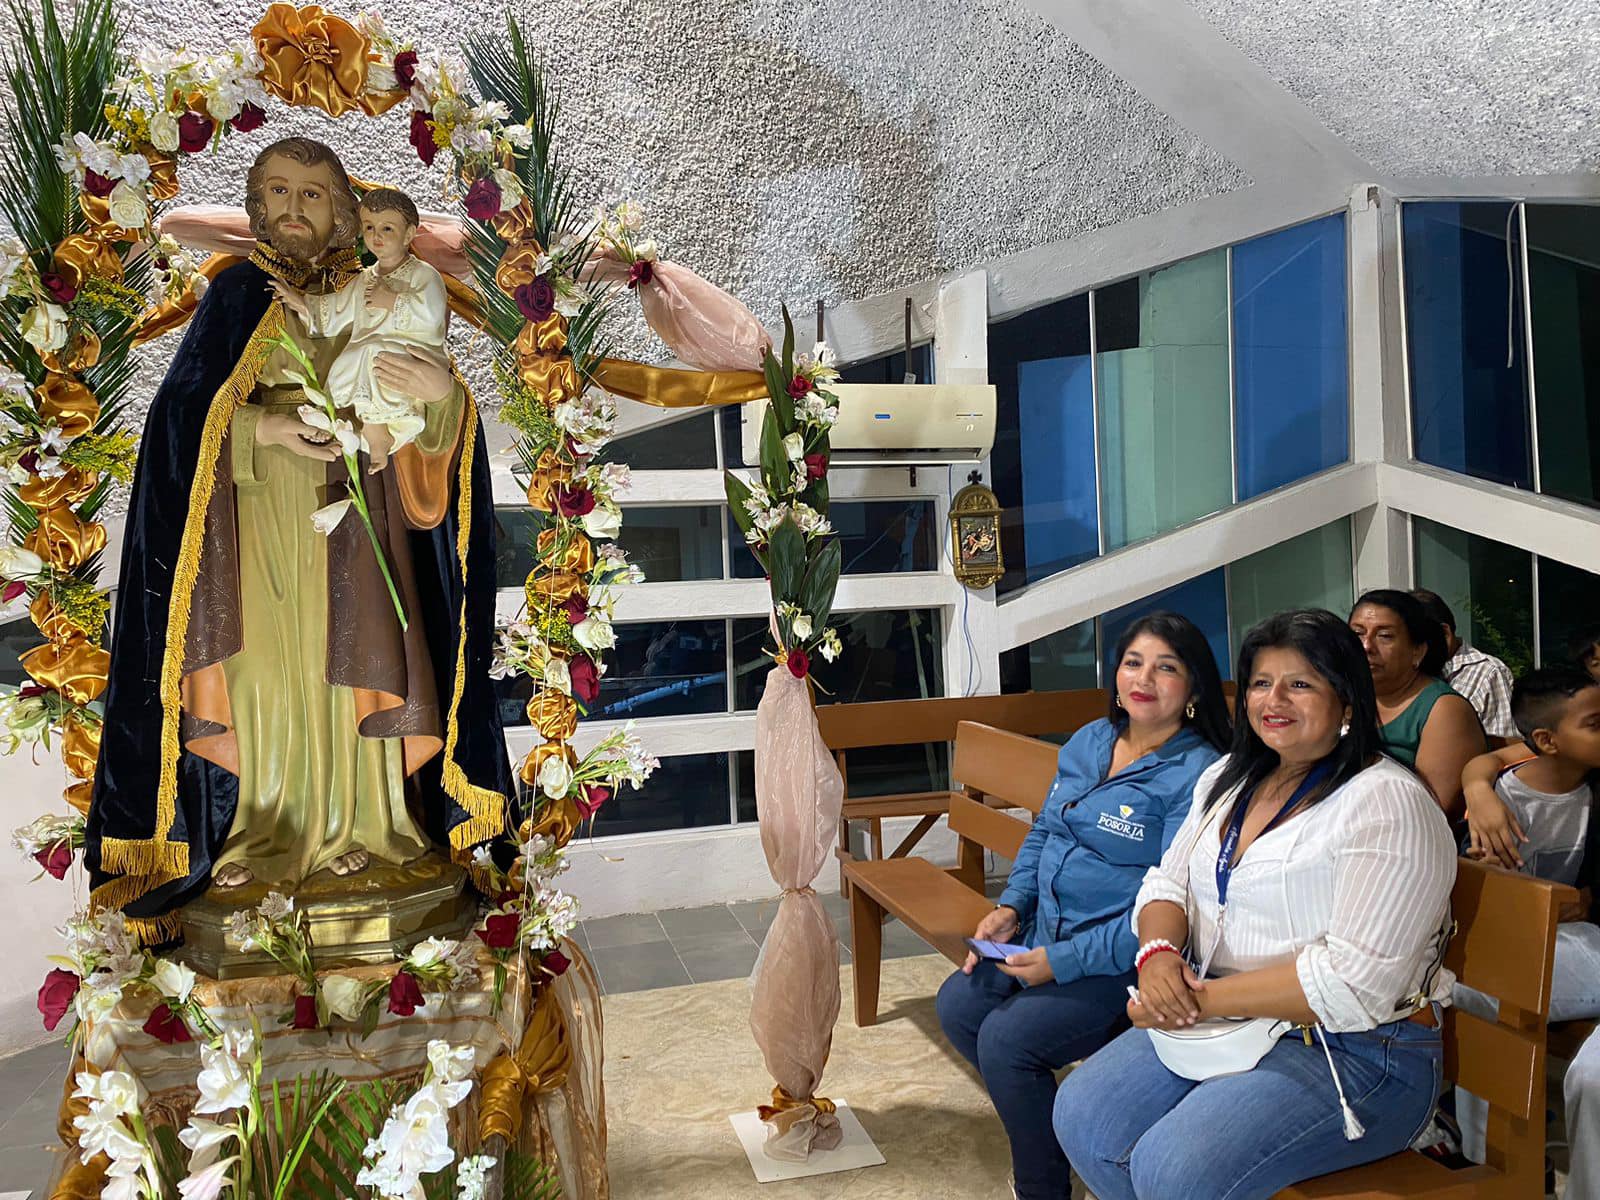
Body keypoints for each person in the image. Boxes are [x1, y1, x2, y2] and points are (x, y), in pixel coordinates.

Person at [84, 138, 513, 935]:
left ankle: (371, 831)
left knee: (356, 669)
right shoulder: (236, 294)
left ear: (344, 210)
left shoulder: (383, 288)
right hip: (254, 529)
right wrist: (264, 429)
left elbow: (430, 412)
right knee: (264, 672)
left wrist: (443, 400)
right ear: (257, 206)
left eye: (312, 193)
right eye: (278, 191)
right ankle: (256, 831)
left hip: (361, 518)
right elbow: (178, 422)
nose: (293, 207)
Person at [1054, 609, 1456, 1200]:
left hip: (1355, 1048)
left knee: (1175, 1168)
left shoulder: (1386, 802)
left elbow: (1354, 983)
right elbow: (1165, 884)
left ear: (1347, 699)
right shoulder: (1230, 777)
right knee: (1083, 1113)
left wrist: (1194, 1000)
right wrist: (1158, 956)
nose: (1275, 700)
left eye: (1301, 684)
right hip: (1227, 1021)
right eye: (1262, 682)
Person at [935, 612, 1229, 1200]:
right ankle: (1056, 1140)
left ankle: (1042, 1186)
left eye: (1166, 668)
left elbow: (1167, 901)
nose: (1144, 679)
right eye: (1133, 663)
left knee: (1008, 1042)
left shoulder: (1198, 773)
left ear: (1194, 686)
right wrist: (1011, 907)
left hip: (1118, 962)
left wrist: (1060, 962)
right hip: (1043, 929)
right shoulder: (1092, 739)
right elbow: (1046, 831)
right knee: (960, 1006)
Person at [1454, 666, 1600, 1197]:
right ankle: (1494, 1160)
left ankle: (1503, 1162)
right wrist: (1478, 788)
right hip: (1532, 942)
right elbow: (1496, 761)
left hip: (1579, 942)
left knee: (1495, 986)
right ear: (1548, 741)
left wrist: (1586, 898)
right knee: (1477, 986)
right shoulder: (1505, 796)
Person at [273, 187, 449, 464]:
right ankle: (358, 425)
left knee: (372, 354)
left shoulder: (423, 274)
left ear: (409, 234)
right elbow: (337, 309)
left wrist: (391, 301)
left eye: (387, 228)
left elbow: (432, 313)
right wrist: (303, 304)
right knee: (355, 358)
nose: (376, 236)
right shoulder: (365, 279)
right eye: (369, 227)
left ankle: (378, 434)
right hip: (368, 354)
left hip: (409, 353)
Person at [1348, 589, 1485, 818]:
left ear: (1417, 651)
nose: (1366, 646)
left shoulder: (1443, 710)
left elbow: (1430, 811)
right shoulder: (1343, 697)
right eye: (1357, 633)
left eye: (1385, 636)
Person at [1411, 588, 1517, 747]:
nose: (1410, 650)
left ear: (1444, 634)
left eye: (1415, 641)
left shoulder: (1488, 673)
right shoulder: (1405, 671)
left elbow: (1506, 749)